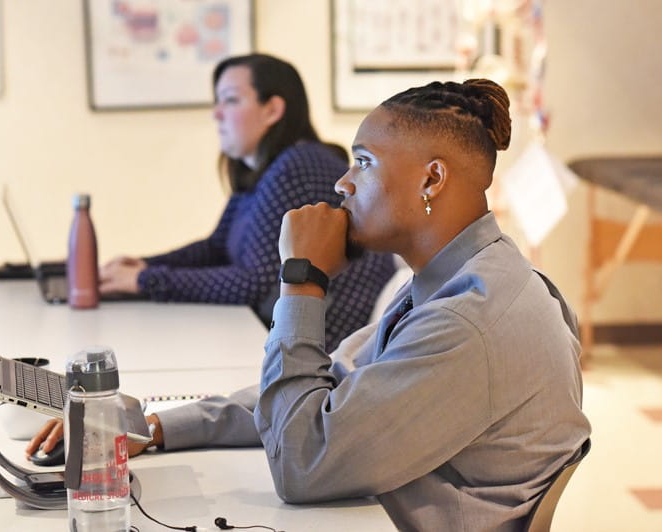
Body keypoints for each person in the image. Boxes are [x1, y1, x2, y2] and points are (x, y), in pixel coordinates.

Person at [30, 79, 590, 530]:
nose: (343, 184)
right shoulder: (460, 277)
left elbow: (301, 463)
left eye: (364, 162)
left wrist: (302, 281)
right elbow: (327, 390)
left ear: (432, 178)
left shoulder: (469, 320)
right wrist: (154, 427)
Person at [99, 54, 396, 352]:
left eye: (230, 100)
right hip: (281, 332)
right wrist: (145, 266)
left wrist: (145, 280)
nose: (216, 113)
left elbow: (254, 282)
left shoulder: (297, 164)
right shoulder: (267, 168)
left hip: (319, 346)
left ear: (272, 109)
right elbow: (215, 247)